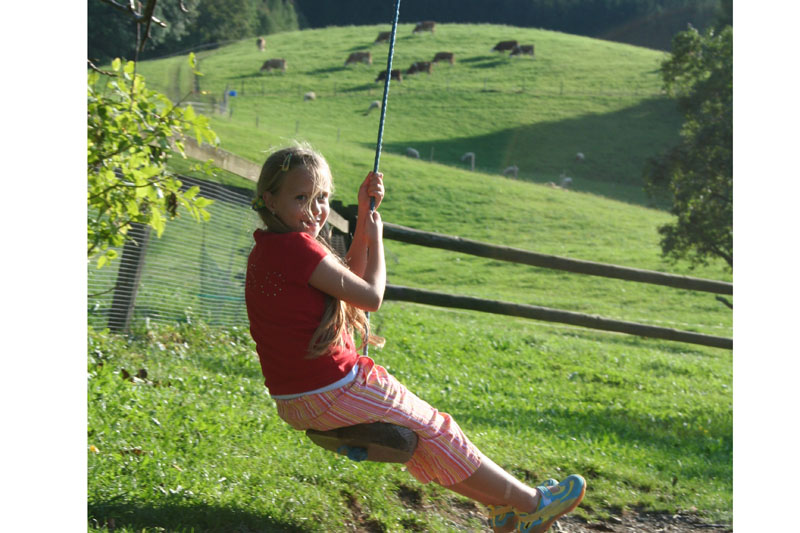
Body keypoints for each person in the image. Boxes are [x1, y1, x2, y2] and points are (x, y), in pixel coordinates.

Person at [245, 144, 586, 533]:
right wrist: (379, 240)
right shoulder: (298, 247)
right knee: (439, 429)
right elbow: (370, 296)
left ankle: (506, 510)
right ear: (270, 199)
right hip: (333, 388)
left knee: (424, 442)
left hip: (296, 400)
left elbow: (348, 284)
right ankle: (534, 503)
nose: (316, 210)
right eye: (301, 198)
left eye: (321, 197)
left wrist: (362, 221)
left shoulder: (268, 249)